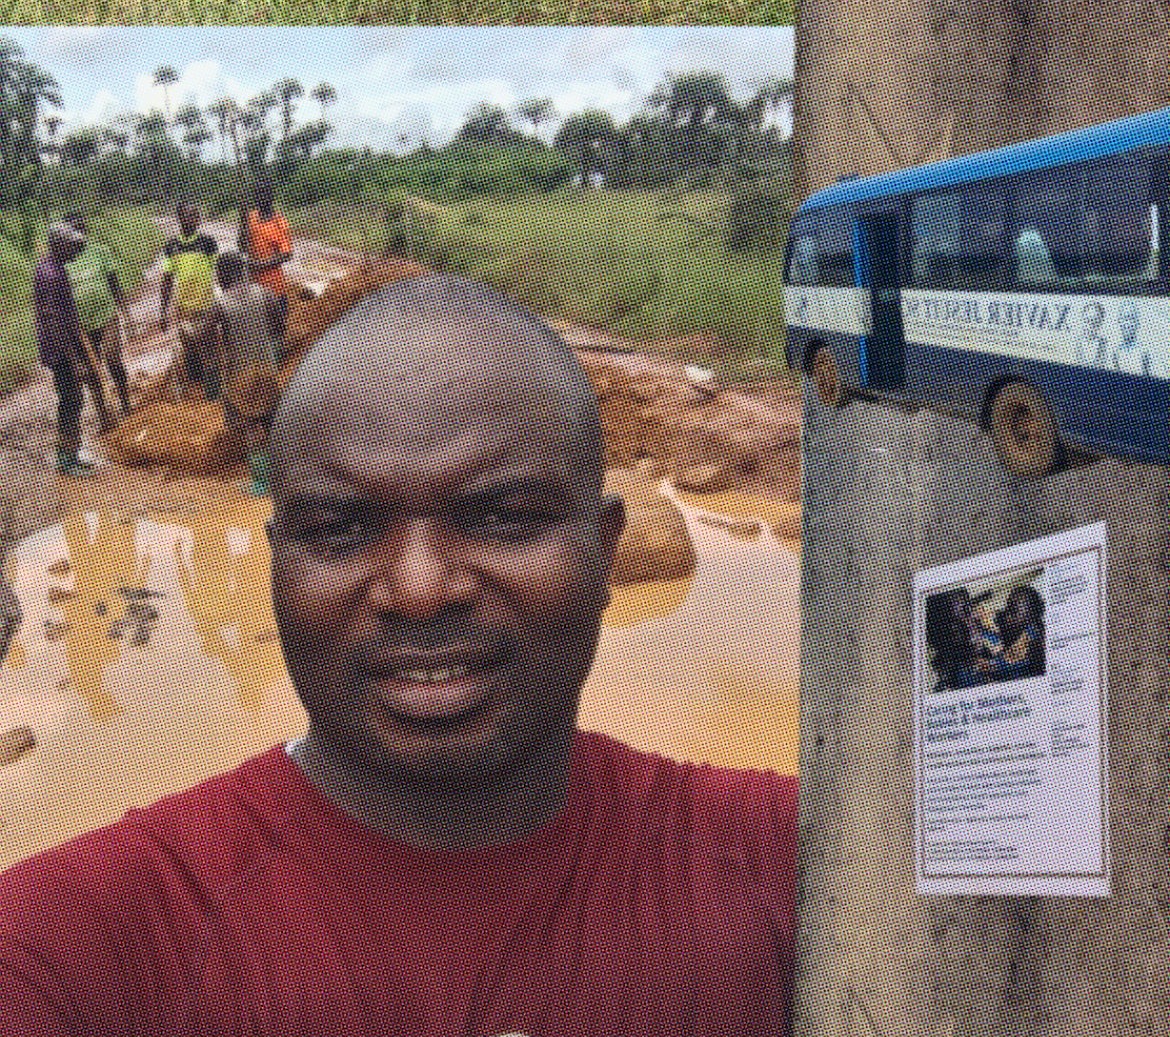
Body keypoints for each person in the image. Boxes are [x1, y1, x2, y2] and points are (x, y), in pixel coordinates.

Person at [0, 275, 798, 1036]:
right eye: (342, 529)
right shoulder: (89, 944)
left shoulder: (799, 862)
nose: (419, 588)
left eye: (504, 516)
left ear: (606, 550)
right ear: (275, 565)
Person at [208, 250, 286, 497]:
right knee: (271, 421)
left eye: (218, 273)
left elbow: (204, 336)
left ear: (223, 274)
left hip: (241, 376)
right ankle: (282, 476)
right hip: (267, 370)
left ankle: (261, 483)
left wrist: (211, 364)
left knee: (253, 427)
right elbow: (279, 329)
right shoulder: (266, 295)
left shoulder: (220, 305)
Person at [33, 221, 95, 475]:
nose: (74, 249)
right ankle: (66, 460)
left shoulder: (49, 267)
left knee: (72, 400)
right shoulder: (53, 275)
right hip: (60, 348)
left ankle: (69, 453)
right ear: (59, 244)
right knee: (71, 400)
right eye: (70, 244)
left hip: (59, 345)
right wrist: (75, 359)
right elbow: (55, 320)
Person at [63, 211, 132, 417]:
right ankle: (103, 412)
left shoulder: (100, 251)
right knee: (91, 369)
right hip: (81, 325)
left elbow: (113, 282)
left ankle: (125, 400)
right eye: (73, 229)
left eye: (80, 228)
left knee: (112, 359)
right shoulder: (63, 261)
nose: (78, 232)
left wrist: (125, 313)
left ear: (85, 230)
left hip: (106, 316)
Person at [160, 203, 218, 399]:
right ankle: (193, 395)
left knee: (210, 349)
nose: (192, 219)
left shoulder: (208, 242)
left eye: (196, 215)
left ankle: (212, 395)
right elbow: (167, 278)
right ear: (179, 218)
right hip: (183, 308)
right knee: (188, 350)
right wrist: (163, 310)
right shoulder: (172, 246)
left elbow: (218, 271)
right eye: (188, 215)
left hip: (206, 305)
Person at [243, 175, 293, 323]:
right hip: (252, 287)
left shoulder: (279, 222)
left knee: (276, 328)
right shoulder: (251, 217)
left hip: (274, 288)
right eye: (257, 194)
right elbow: (243, 245)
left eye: (263, 193)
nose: (259, 198)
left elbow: (287, 255)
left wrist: (260, 265)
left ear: (271, 196)